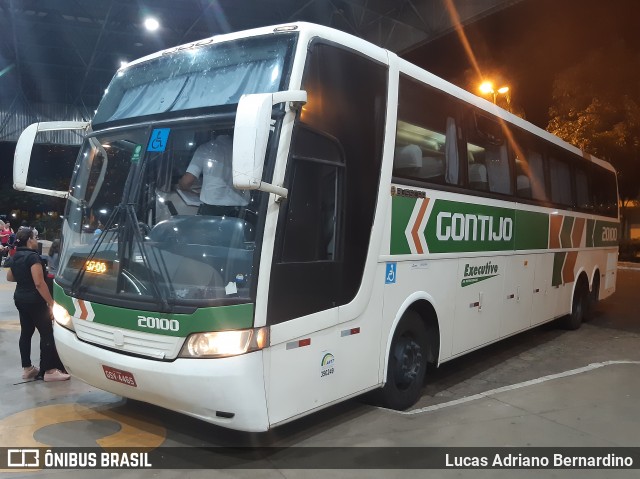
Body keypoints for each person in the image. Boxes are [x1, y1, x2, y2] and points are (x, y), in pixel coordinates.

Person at [5, 228, 70, 382]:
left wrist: (24, 278)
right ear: (29, 240)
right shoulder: (33, 257)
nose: (36, 240)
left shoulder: (16, 256)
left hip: (20, 299)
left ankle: (28, 368)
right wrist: (51, 303)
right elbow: (40, 283)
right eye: (35, 237)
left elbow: (9, 277)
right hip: (35, 301)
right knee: (47, 333)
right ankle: (50, 370)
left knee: (26, 332)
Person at [178, 134, 249, 217]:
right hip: (240, 209)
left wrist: (182, 184)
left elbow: (187, 181)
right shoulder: (244, 150)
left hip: (211, 209)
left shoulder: (205, 149)